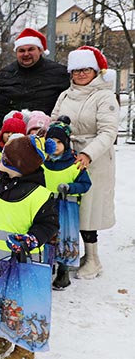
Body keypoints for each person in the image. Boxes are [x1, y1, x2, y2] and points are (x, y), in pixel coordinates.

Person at [0, 134, 59, 359]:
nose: (2, 164)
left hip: (23, 263)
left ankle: (24, 347)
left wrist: (31, 239)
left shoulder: (40, 196)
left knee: (23, 305)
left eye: (8, 161)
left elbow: (49, 225)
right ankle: (2, 335)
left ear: (21, 167)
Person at [51, 46, 119, 279]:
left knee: (90, 210)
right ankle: (69, 252)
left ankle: (93, 258)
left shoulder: (104, 96)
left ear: (96, 71)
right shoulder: (65, 95)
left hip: (95, 159)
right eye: (76, 70)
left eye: (86, 69)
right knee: (69, 207)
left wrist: (88, 153)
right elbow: (54, 121)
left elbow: (109, 131)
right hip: (66, 157)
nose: (80, 74)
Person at [0, 28, 69, 131]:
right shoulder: (4, 75)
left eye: (31, 49)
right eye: (21, 50)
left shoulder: (59, 73)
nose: (26, 54)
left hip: (43, 138)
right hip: (7, 138)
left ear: (40, 50)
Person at [43, 117, 92, 290]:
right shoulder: (42, 163)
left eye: (59, 142)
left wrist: (70, 187)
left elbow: (86, 184)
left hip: (66, 208)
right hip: (46, 207)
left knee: (65, 238)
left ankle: (63, 272)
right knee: (47, 237)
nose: (55, 145)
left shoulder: (75, 164)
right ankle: (47, 267)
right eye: (51, 142)